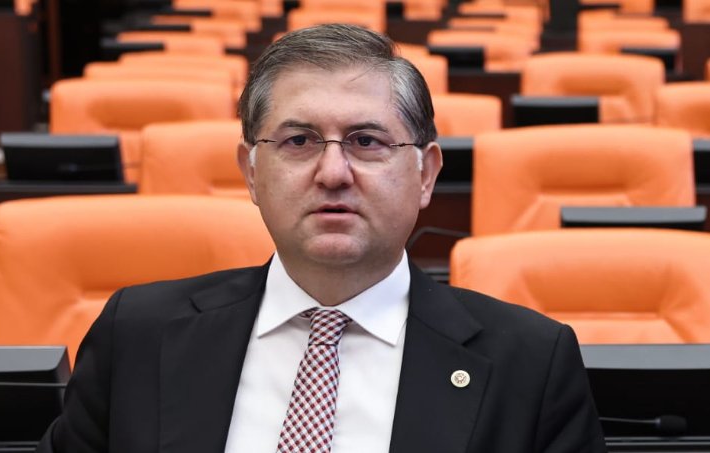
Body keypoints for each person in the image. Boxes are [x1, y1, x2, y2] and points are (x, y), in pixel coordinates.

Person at [38, 24, 607, 453]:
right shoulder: (137, 335)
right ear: (251, 172)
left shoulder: (530, 362)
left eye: (366, 141)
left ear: (426, 174)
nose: (333, 173)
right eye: (299, 142)